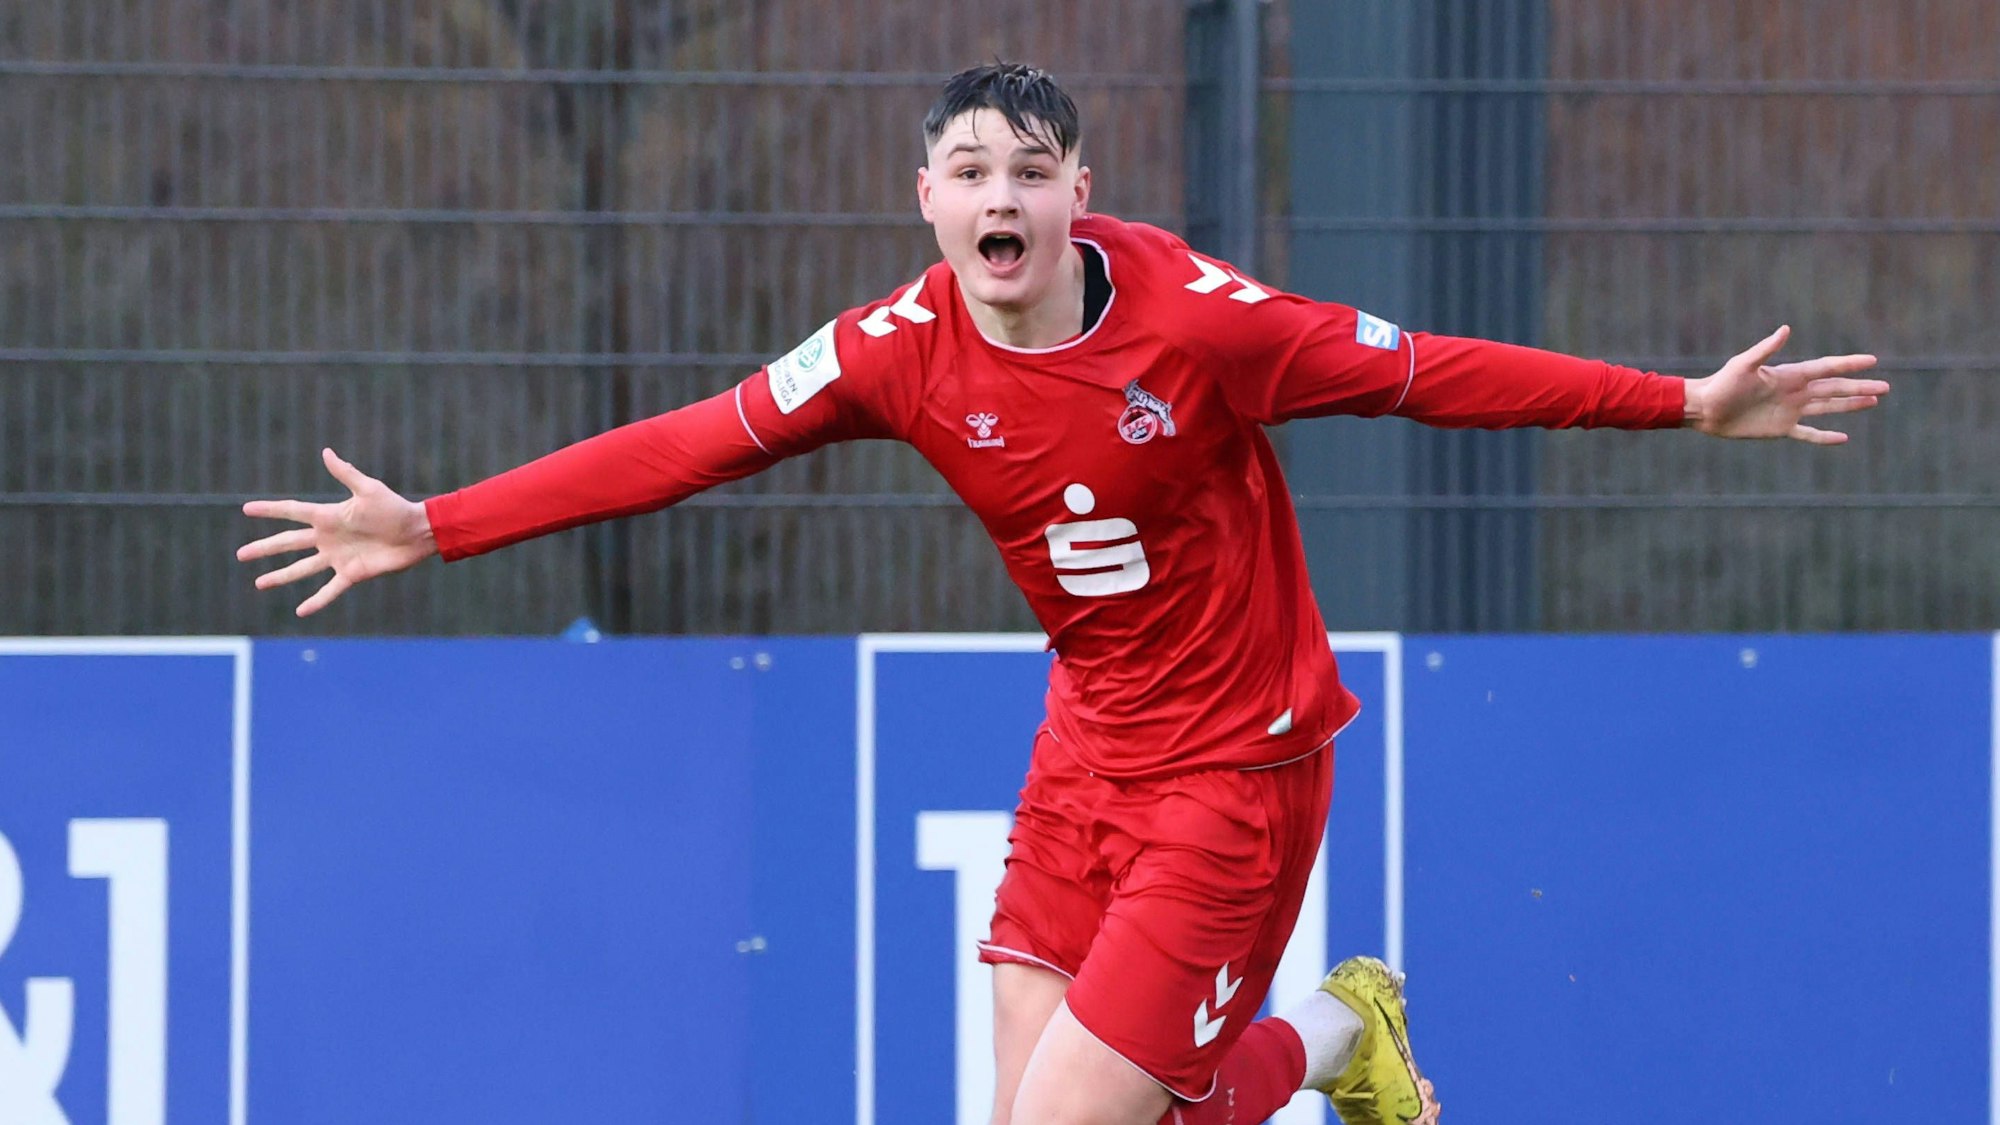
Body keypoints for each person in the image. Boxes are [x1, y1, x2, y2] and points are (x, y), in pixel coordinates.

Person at [237, 62, 1887, 1125]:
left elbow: (1435, 370)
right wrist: (436, 525)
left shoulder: (1205, 326)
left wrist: (1679, 399)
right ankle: (1337, 1033)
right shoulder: (895, 347)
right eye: (971, 170)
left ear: (1080, 195)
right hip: (1086, 749)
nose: (1003, 197)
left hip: (1239, 772)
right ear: (929, 203)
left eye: (1035, 169)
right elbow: (689, 443)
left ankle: (1327, 1029)